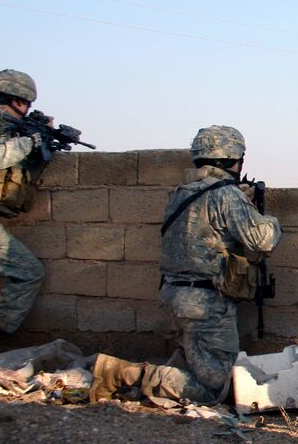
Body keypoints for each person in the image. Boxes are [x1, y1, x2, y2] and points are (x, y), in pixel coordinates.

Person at [88, 125, 282, 404]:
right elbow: (262, 239)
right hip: (205, 305)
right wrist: (269, 219)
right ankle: (125, 374)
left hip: (173, 296)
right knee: (220, 389)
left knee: (193, 367)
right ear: (233, 160)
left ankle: (141, 378)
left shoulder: (181, 192)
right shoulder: (226, 195)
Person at [0, 69, 47, 360]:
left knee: (28, 273)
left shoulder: (6, 129)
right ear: (18, 100)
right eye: (27, 104)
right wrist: (28, 142)